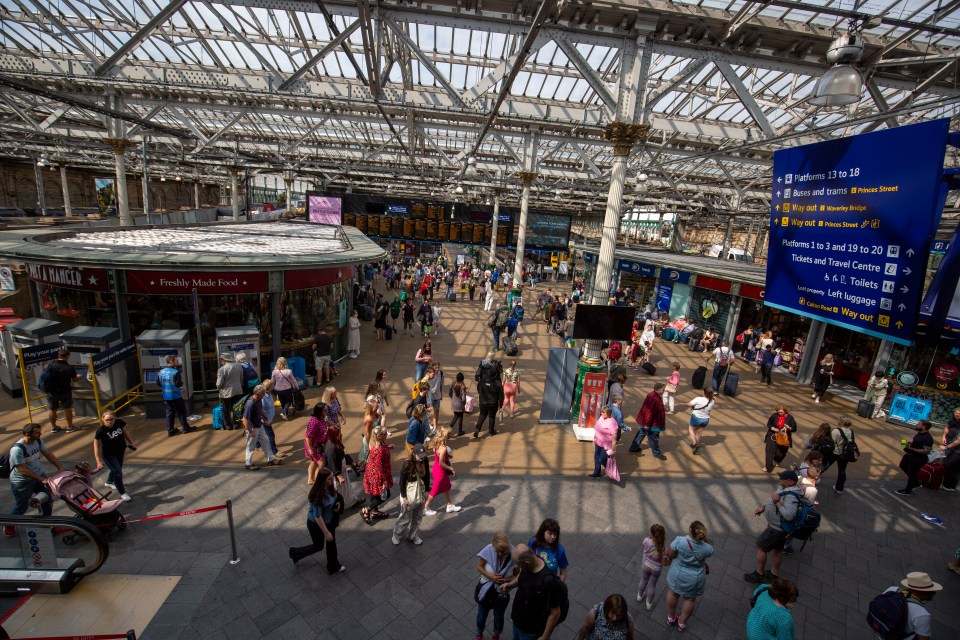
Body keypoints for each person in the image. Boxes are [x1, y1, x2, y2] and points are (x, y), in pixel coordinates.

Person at [744, 470, 804, 583]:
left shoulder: (792, 497)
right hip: (780, 530)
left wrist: (776, 501)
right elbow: (776, 502)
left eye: (782, 479)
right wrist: (764, 507)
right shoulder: (785, 489)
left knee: (760, 547)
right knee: (777, 550)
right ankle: (773, 574)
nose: (779, 480)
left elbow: (789, 516)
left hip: (776, 529)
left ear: (790, 482)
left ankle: (759, 573)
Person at [6, 423, 63, 531]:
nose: (40, 434)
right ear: (27, 434)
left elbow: (48, 454)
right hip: (22, 482)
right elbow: (22, 470)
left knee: (47, 499)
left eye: (39, 432)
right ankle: (9, 524)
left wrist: (59, 466)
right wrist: (42, 479)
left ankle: (46, 524)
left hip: (38, 475)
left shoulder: (37, 440)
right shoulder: (17, 449)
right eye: (37, 433)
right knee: (22, 507)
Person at [288, 468, 345, 573]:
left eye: (332, 477)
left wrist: (337, 505)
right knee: (318, 546)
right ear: (322, 480)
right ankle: (295, 553)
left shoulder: (329, 487)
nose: (332, 480)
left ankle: (333, 566)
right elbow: (317, 516)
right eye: (329, 479)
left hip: (329, 521)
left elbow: (334, 498)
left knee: (331, 544)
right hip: (316, 524)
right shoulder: (317, 496)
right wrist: (326, 532)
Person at [664, 521, 713, 632]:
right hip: (695, 579)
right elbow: (706, 553)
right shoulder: (708, 548)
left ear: (690, 530)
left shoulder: (680, 541)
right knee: (690, 600)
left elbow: (671, 554)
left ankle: (671, 618)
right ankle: (682, 623)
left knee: (673, 593)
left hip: (677, 574)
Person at [506, 544, 562, 640]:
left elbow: (555, 612)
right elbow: (521, 575)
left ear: (527, 563)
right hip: (517, 620)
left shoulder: (548, 581)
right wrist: (511, 584)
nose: (517, 567)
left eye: (518, 565)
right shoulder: (531, 562)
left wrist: (545, 636)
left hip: (530, 630)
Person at [474, 531, 518, 640]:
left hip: (501, 595)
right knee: (481, 616)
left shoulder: (514, 554)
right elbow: (479, 566)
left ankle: (496, 636)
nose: (499, 554)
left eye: (503, 552)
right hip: (486, 592)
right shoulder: (489, 548)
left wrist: (506, 580)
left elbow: (517, 576)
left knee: (498, 618)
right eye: (497, 551)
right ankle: (479, 634)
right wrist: (490, 576)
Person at [875, 572, 942, 639]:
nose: (934, 593)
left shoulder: (892, 589)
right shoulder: (922, 615)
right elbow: (924, 638)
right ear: (922, 592)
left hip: (881, 633)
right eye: (931, 591)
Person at [93, 411, 136, 502]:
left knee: (117, 468)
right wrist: (98, 461)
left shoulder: (119, 423)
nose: (109, 422)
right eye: (107, 420)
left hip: (120, 451)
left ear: (115, 418)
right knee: (118, 473)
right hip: (109, 455)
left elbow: (125, 432)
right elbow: (96, 445)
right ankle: (122, 493)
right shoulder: (101, 431)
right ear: (103, 420)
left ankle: (108, 482)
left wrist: (131, 442)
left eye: (111, 419)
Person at [392, 444, 431, 545]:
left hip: (421, 493)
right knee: (405, 518)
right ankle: (396, 535)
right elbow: (402, 482)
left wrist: (427, 490)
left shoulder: (424, 460)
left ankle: (412, 535)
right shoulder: (407, 464)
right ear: (414, 453)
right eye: (420, 455)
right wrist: (404, 498)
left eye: (423, 455)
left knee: (417, 518)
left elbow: (427, 476)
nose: (421, 458)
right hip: (409, 494)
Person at [423, 427, 462, 516]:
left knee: (447, 486)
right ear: (446, 436)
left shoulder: (437, 443)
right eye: (449, 434)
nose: (451, 435)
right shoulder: (443, 448)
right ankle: (425, 508)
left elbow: (438, 455)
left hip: (436, 469)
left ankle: (449, 505)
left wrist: (447, 455)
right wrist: (451, 468)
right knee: (434, 492)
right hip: (440, 472)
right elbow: (441, 463)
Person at [242, 385, 281, 471]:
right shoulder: (250, 404)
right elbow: (244, 419)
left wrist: (265, 418)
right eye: (263, 393)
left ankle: (270, 459)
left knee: (266, 441)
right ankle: (248, 463)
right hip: (252, 428)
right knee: (250, 446)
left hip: (259, 425)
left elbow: (260, 410)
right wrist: (250, 431)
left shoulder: (259, 399)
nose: (265, 394)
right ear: (258, 393)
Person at [43, 349, 81, 434]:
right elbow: (75, 380)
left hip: (51, 392)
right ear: (67, 356)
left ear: (58, 356)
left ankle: (54, 427)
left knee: (52, 409)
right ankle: (70, 427)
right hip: (65, 391)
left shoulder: (48, 366)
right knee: (67, 409)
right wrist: (79, 376)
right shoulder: (69, 368)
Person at [361, 425, 393, 524]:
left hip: (370, 472)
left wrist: (388, 447)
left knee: (373, 492)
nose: (386, 436)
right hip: (378, 474)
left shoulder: (374, 442)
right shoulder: (379, 450)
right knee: (386, 494)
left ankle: (374, 512)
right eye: (385, 434)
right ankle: (367, 509)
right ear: (379, 436)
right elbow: (379, 467)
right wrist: (384, 481)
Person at [157, 354, 195, 436]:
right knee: (181, 412)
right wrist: (181, 382)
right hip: (175, 396)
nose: (178, 362)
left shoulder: (161, 372)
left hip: (166, 396)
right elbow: (178, 384)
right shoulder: (175, 372)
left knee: (169, 413)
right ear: (171, 361)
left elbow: (158, 383)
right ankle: (185, 428)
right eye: (176, 360)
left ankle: (170, 431)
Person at [629, 383, 667, 460]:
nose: (664, 391)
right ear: (658, 389)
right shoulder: (655, 399)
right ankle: (657, 453)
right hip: (653, 424)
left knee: (641, 433)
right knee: (653, 438)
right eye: (663, 389)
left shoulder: (651, 394)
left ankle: (634, 447)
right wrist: (647, 424)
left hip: (645, 421)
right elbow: (650, 412)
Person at [896, 419, 934, 496]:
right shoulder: (920, 433)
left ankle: (907, 490)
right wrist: (911, 443)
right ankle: (916, 482)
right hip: (910, 455)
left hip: (918, 458)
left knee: (912, 474)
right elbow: (917, 441)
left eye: (919, 424)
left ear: (924, 427)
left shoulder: (928, 438)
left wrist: (912, 449)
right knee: (902, 466)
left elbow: (926, 451)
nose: (916, 424)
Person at [636, 523, 667, 611]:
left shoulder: (646, 540)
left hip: (645, 565)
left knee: (643, 580)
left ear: (652, 534)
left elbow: (643, 546)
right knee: (652, 586)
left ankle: (640, 595)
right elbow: (663, 559)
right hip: (656, 569)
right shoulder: (662, 547)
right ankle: (649, 603)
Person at [474, 352, 504, 438]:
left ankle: (477, 429)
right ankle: (491, 431)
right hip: (493, 403)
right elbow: (501, 395)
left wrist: (482, 395)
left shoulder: (482, 382)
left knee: (482, 415)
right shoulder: (498, 383)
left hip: (483, 401)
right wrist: (500, 405)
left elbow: (479, 389)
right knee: (492, 417)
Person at [763, 404, 797, 473]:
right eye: (779, 412)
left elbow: (794, 429)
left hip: (783, 438)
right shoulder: (774, 416)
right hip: (772, 435)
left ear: (785, 411)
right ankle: (768, 467)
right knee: (769, 452)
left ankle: (778, 460)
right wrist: (772, 428)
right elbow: (769, 424)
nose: (780, 413)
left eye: (781, 412)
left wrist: (789, 428)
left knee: (780, 454)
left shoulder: (790, 418)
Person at [216, 352, 244, 430]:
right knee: (236, 408)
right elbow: (241, 379)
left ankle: (228, 425)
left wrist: (218, 388)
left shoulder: (221, 369)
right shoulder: (239, 366)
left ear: (223, 359)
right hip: (238, 390)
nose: (220, 361)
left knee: (226, 410)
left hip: (226, 393)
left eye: (220, 359)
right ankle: (236, 424)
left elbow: (219, 384)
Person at [590, 406, 619, 479]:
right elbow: (597, 428)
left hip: (606, 445)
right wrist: (595, 437)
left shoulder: (612, 422)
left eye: (603, 412)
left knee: (602, 459)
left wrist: (613, 450)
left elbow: (614, 438)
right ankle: (596, 473)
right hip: (598, 442)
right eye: (601, 412)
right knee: (596, 458)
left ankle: (610, 469)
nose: (601, 413)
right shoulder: (601, 418)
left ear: (608, 413)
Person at [304, 402, 329, 484]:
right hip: (313, 446)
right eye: (325, 410)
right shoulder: (314, 422)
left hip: (318, 444)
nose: (327, 411)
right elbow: (308, 436)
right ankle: (319, 481)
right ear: (319, 411)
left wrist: (334, 425)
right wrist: (311, 449)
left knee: (314, 462)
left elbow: (326, 423)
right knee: (321, 463)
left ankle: (311, 479)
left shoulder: (322, 418)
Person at [830, 417, 855, 493]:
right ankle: (839, 488)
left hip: (835, 452)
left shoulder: (836, 431)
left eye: (839, 420)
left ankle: (814, 477)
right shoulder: (852, 432)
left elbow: (831, 442)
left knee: (824, 464)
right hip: (845, 454)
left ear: (842, 423)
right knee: (842, 471)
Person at [687, 389, 716, 455]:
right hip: (705, 419)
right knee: (699, 431)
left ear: (704, 393)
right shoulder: (712, 401)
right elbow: (712, 398)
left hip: (696, 417)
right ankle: (696, 444)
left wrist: (681, 404)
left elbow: (689, 404)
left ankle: (694, 443)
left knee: (691, 429)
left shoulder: (698, 399)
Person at [270, 357, 299, 421]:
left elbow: (272, 381)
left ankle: (286, 413)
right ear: (285, 363)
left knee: (282, 401)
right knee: (289, 400)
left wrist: (271, 388)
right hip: (287, 389)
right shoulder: (288, 371)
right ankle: (283, 412)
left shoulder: (274, 372)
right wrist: (297, 386)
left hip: (278, 389)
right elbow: (293, 380)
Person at [941, 409, 960, 492]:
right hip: (950, 444)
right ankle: (950, 486)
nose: (957, 415)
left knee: (950, 466)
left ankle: (947, 485)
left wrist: (947, 447)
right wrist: (944, 436)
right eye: (956, 413)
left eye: (959, 414)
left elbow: (958, 441)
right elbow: (947, 427)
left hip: (956, 449)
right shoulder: (953, 419)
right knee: (953, 467)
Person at [449, 372, 468, 437]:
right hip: (460, 405)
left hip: (453, 403)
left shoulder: (453, 383)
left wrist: (452, 398)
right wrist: (464, 404)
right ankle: (458, 431)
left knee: (456, 416)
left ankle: (451, 429)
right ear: (462, 379)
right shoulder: (463, 387)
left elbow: (450, 393)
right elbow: (463, 398)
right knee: (459, 417)